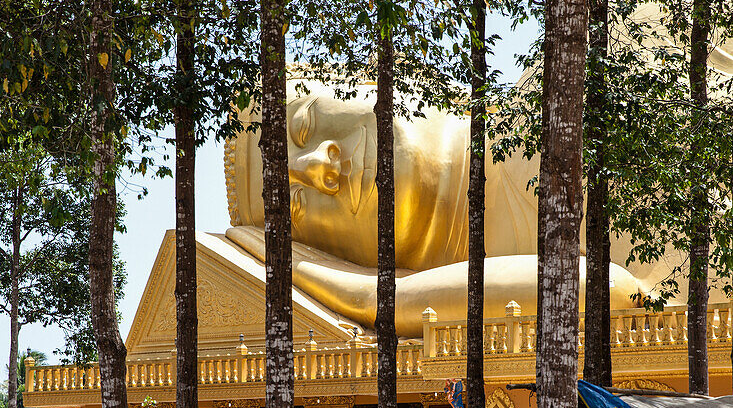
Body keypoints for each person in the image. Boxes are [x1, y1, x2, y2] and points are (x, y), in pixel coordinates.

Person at [225, 79, 673, 337]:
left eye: (303, 125)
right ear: (334, 258)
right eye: (298, 206)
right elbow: (611, 291)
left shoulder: (579, 61)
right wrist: (376, 295)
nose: (319, 166)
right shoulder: (521, 265)